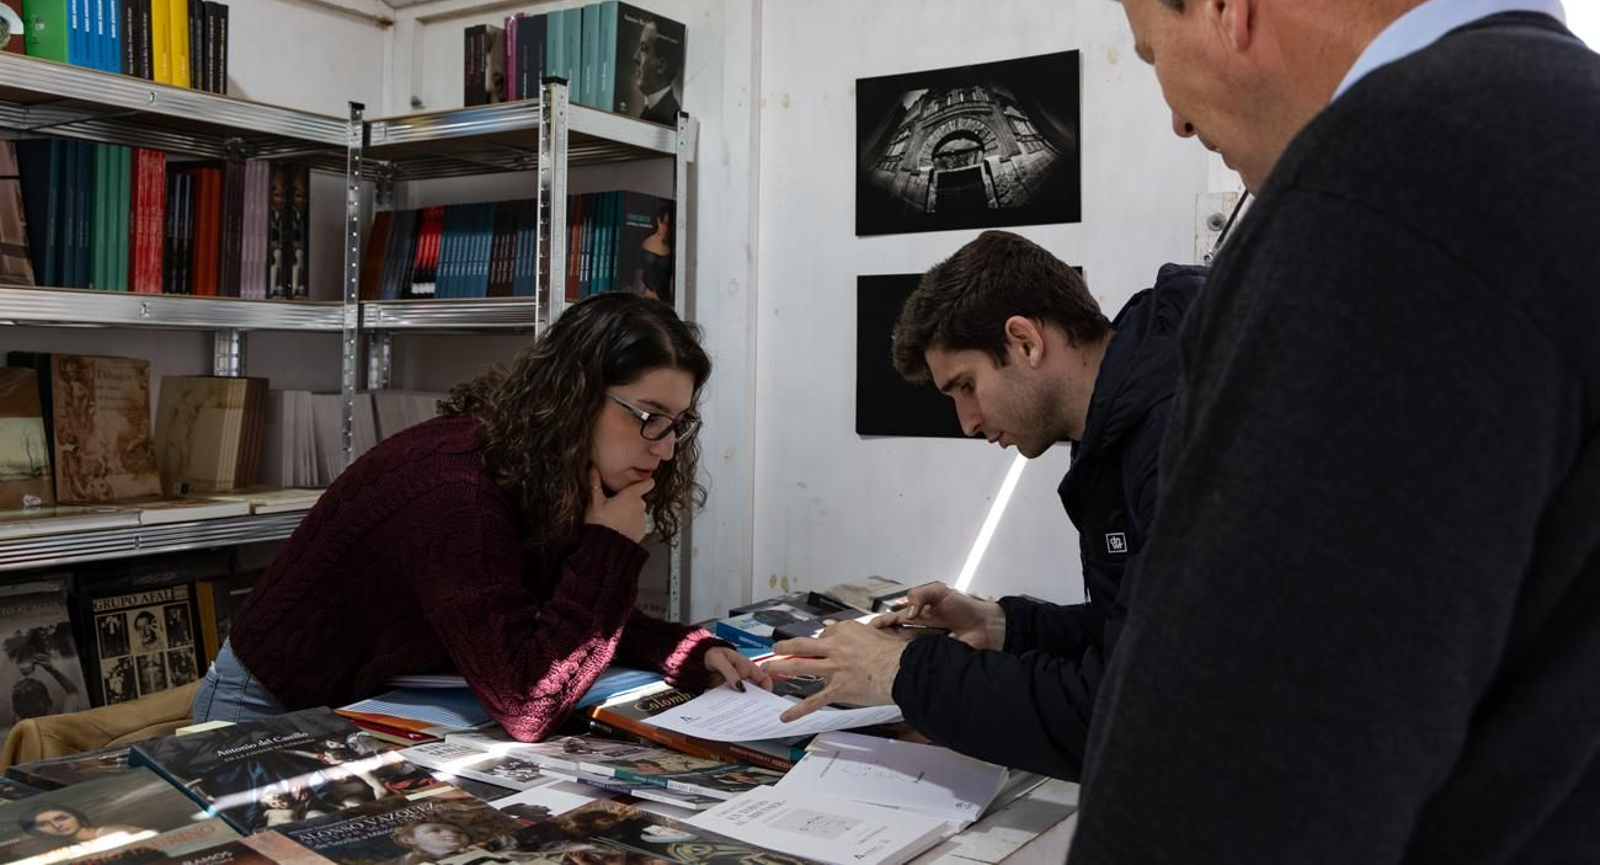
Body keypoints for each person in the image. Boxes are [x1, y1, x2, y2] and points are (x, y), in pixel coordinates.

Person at [1068, 0, 1600, 861]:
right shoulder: (1563, 124)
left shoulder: (1388, 181)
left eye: (1148, 49)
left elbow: (1238, 771)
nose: (1173, 117)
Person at [193, 293, 769, 736]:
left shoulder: (547, 467)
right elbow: (528, 703)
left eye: (678, 423)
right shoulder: (457, 490)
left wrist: (686, 650)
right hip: (269, 709)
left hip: (366, 702)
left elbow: (548, 612)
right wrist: (609, 546)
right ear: (575, 396)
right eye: (649, 415)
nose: (666, 447)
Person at [770, 231, 1204, 778]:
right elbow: (1134, 632)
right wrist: (1003, 626)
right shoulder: (1126, 429)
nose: (968, 423)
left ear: (1024, 341)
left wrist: (903, 670)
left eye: (966, 386)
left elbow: (1131, 713)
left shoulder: (1176, 437)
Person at [632, 21, 681, 125]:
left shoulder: (668, 116)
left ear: (661, 66)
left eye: (643, 48)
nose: (635, 57)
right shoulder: (651, 108)